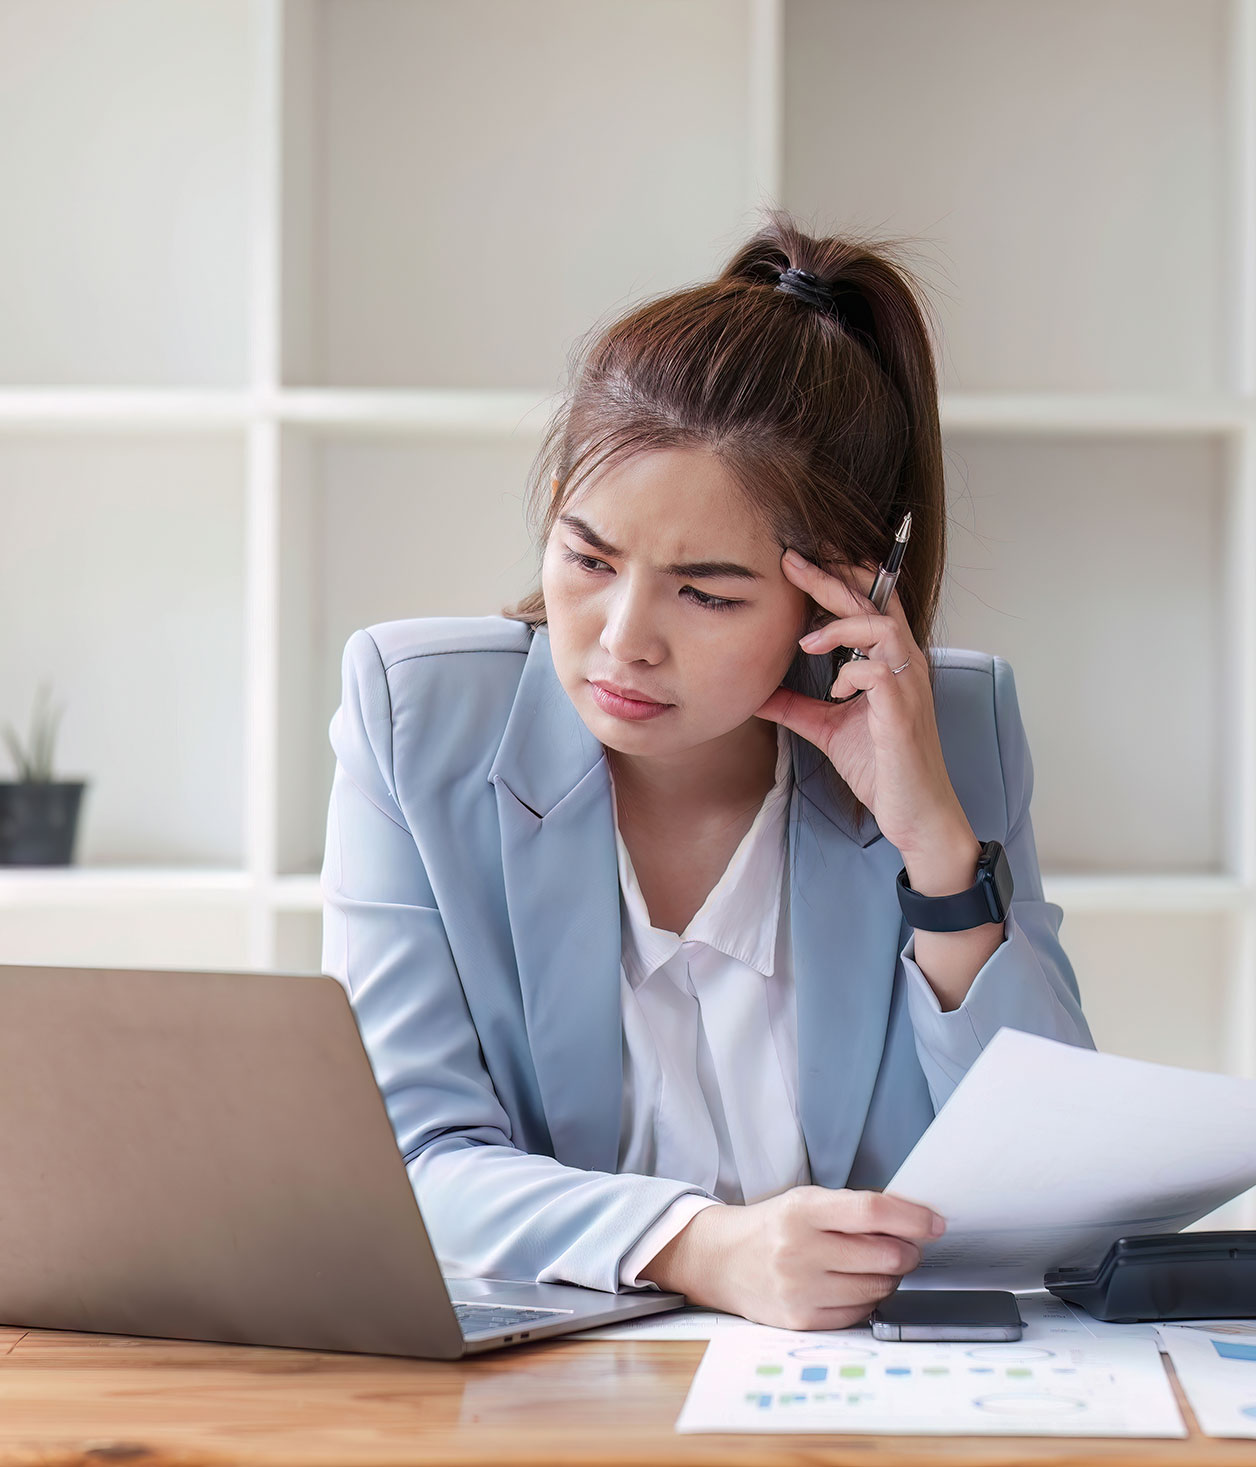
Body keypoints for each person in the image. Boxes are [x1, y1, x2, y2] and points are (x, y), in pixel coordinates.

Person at [321, 216, 1093, 1332]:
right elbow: (407, 1160)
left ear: (845, 592)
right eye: (588, 559)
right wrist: (701, 1246)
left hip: (869, 1400)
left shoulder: (955, 731)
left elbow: (1057, 1181)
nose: (620, 639)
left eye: (708, 592)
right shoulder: (417, 713)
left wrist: (936, 850)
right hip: (546, 1395)